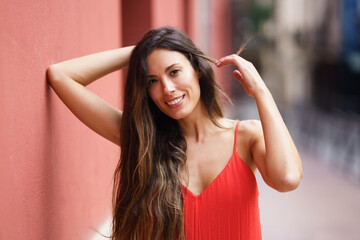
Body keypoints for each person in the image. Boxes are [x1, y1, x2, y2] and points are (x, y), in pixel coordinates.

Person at [47, 27, 303, 240]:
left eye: (174, 71)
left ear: (198, 69)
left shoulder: (247, 135)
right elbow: (61, 77)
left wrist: (261, 91)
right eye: (152, 81)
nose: (167, 88)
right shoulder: (146, 141)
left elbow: (287, 179)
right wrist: (140, 51)